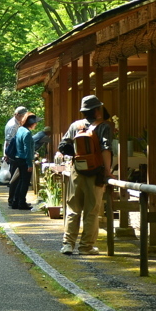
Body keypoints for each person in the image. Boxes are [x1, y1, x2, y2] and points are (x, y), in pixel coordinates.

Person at [56, 95, 114, 255]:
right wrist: (107, 172)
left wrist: (76, 156)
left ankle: (68, 244)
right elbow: (106, 149)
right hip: (95, 173)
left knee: (73, 209)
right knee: (92, 211)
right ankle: (86, 246)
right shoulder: (104, 127)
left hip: (76, 171)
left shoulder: (75, 126)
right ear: (97, 110)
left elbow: (62, 146)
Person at [10, 114, 38, 209]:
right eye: (35, 122)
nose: (36, 124)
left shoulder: (20, 129)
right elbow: (27, 150)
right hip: (25, 160)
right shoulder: (27, 133)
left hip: (18, 158)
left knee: (21, 181)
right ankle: (22, 203)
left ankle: (15, 202)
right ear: (31, 123)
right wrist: (30, 163)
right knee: (25, 183)